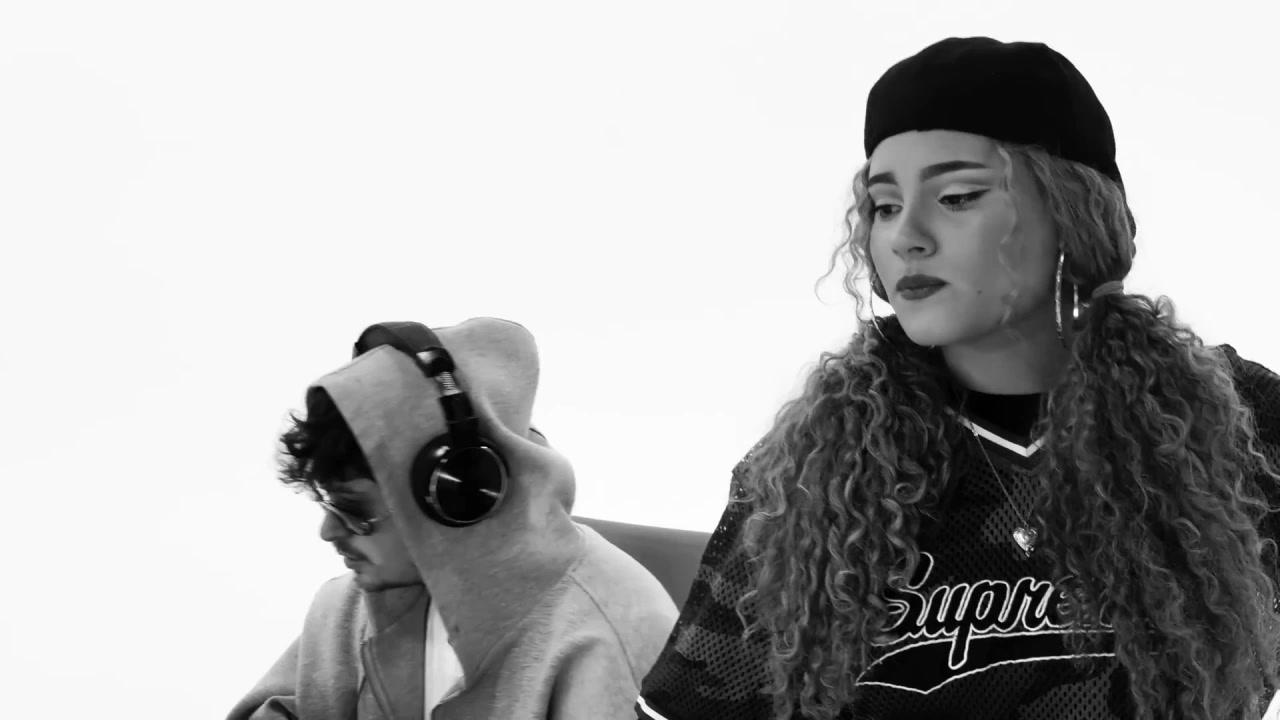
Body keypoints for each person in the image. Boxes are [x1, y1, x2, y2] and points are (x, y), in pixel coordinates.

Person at [634, 36, 1280, 720]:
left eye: (957, 196)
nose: (906, 235)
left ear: (1074, 214)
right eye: (885, 206)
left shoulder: (1241, 428)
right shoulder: (810, 471)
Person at [228, 317, 678, 720]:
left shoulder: (609, 635)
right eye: (330, 505)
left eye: (356, 510)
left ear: (457, 495)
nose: (328, 531)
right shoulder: (346, 610)